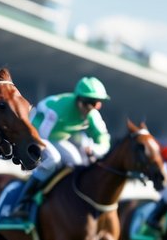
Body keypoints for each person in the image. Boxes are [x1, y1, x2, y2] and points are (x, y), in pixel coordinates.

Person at [6, 76, 111, 219]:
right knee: (54, 159)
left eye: (95, 104)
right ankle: (23, 202)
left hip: (58, 138)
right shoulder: (58, 109)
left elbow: (104, 140)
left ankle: (59, 195)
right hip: (37, 132)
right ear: (78, 99)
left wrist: (95, 149)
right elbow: (42, 136)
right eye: (87, 103)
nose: (91, 108)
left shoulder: (92, 115)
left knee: (77, 163)